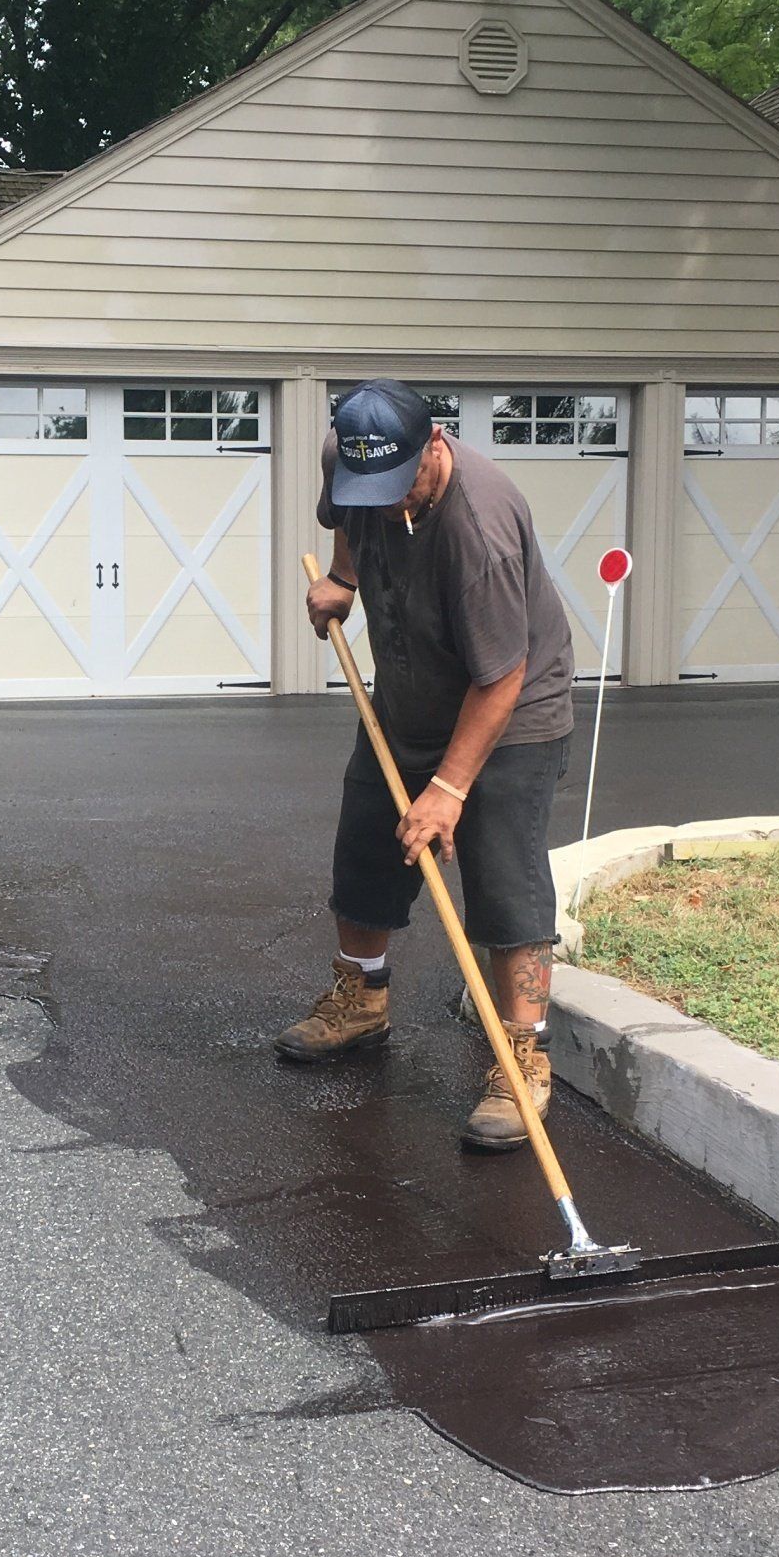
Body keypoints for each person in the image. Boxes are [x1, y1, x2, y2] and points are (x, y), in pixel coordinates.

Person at [275, 379, 576, 1149]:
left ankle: (520, 1056)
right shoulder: (351, 457)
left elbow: (501, 677)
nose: (386, 503)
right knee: (367, 846)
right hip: (408, 697)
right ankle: (361, 1000)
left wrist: (448, 788)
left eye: (400, 484)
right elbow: (347, 513)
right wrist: (343, 578)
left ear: (434, 443)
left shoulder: (483, 528)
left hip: (511, 715)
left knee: (504, 877)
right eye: (367, 488)